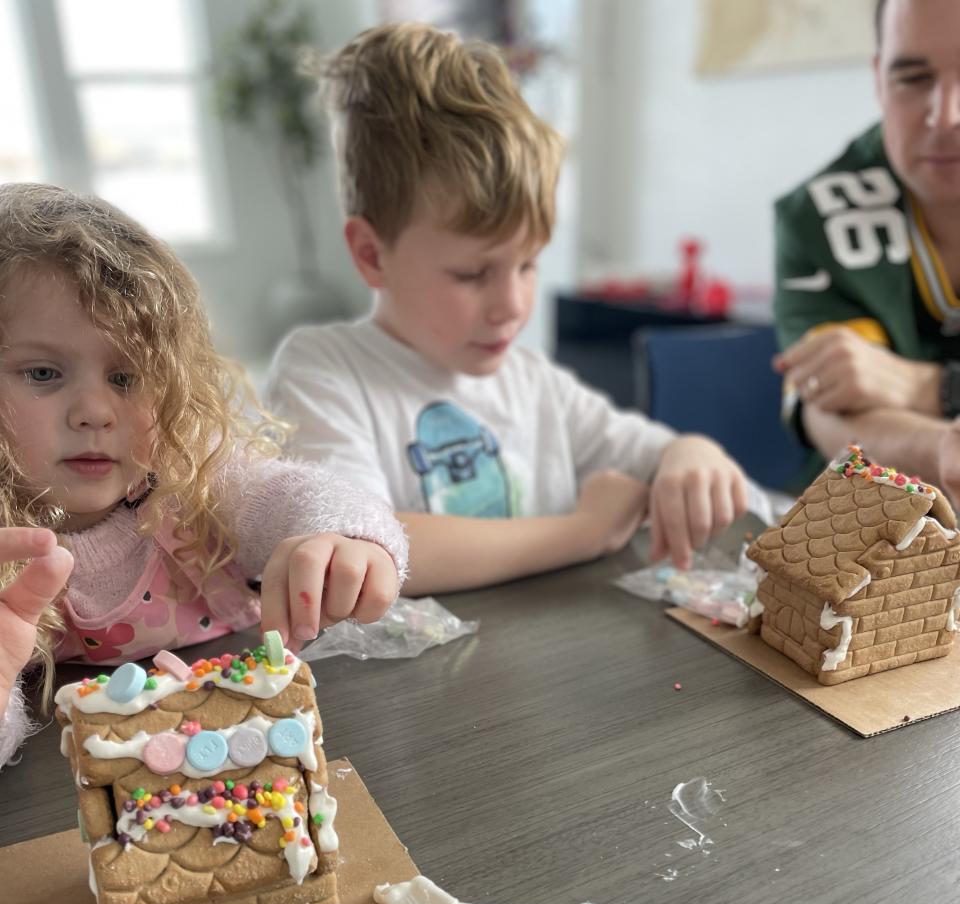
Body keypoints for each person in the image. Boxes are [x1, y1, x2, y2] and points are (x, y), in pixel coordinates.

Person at [266, 22, 750, 596]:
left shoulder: (532, 381)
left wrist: (691, 453)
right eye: (473, 273)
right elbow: (359, 550)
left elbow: (650, 453)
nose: (513, 305)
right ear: (372, 254)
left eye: (528, 264)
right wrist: (584, 531)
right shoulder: (323, 371)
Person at [0, 183, 408, 767]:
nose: (95, 410)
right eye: (43, 372)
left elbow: (289, 494)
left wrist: (346, 537)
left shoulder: (190, 477)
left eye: (126, 377)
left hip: (251, 741)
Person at [773, 0, 960, 497]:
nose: (945, 116)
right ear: (879, 79)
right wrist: (948, 449)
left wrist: (929, 387)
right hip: (869, 511)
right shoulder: (815, 214)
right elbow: (832, 409)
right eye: (913, 78)